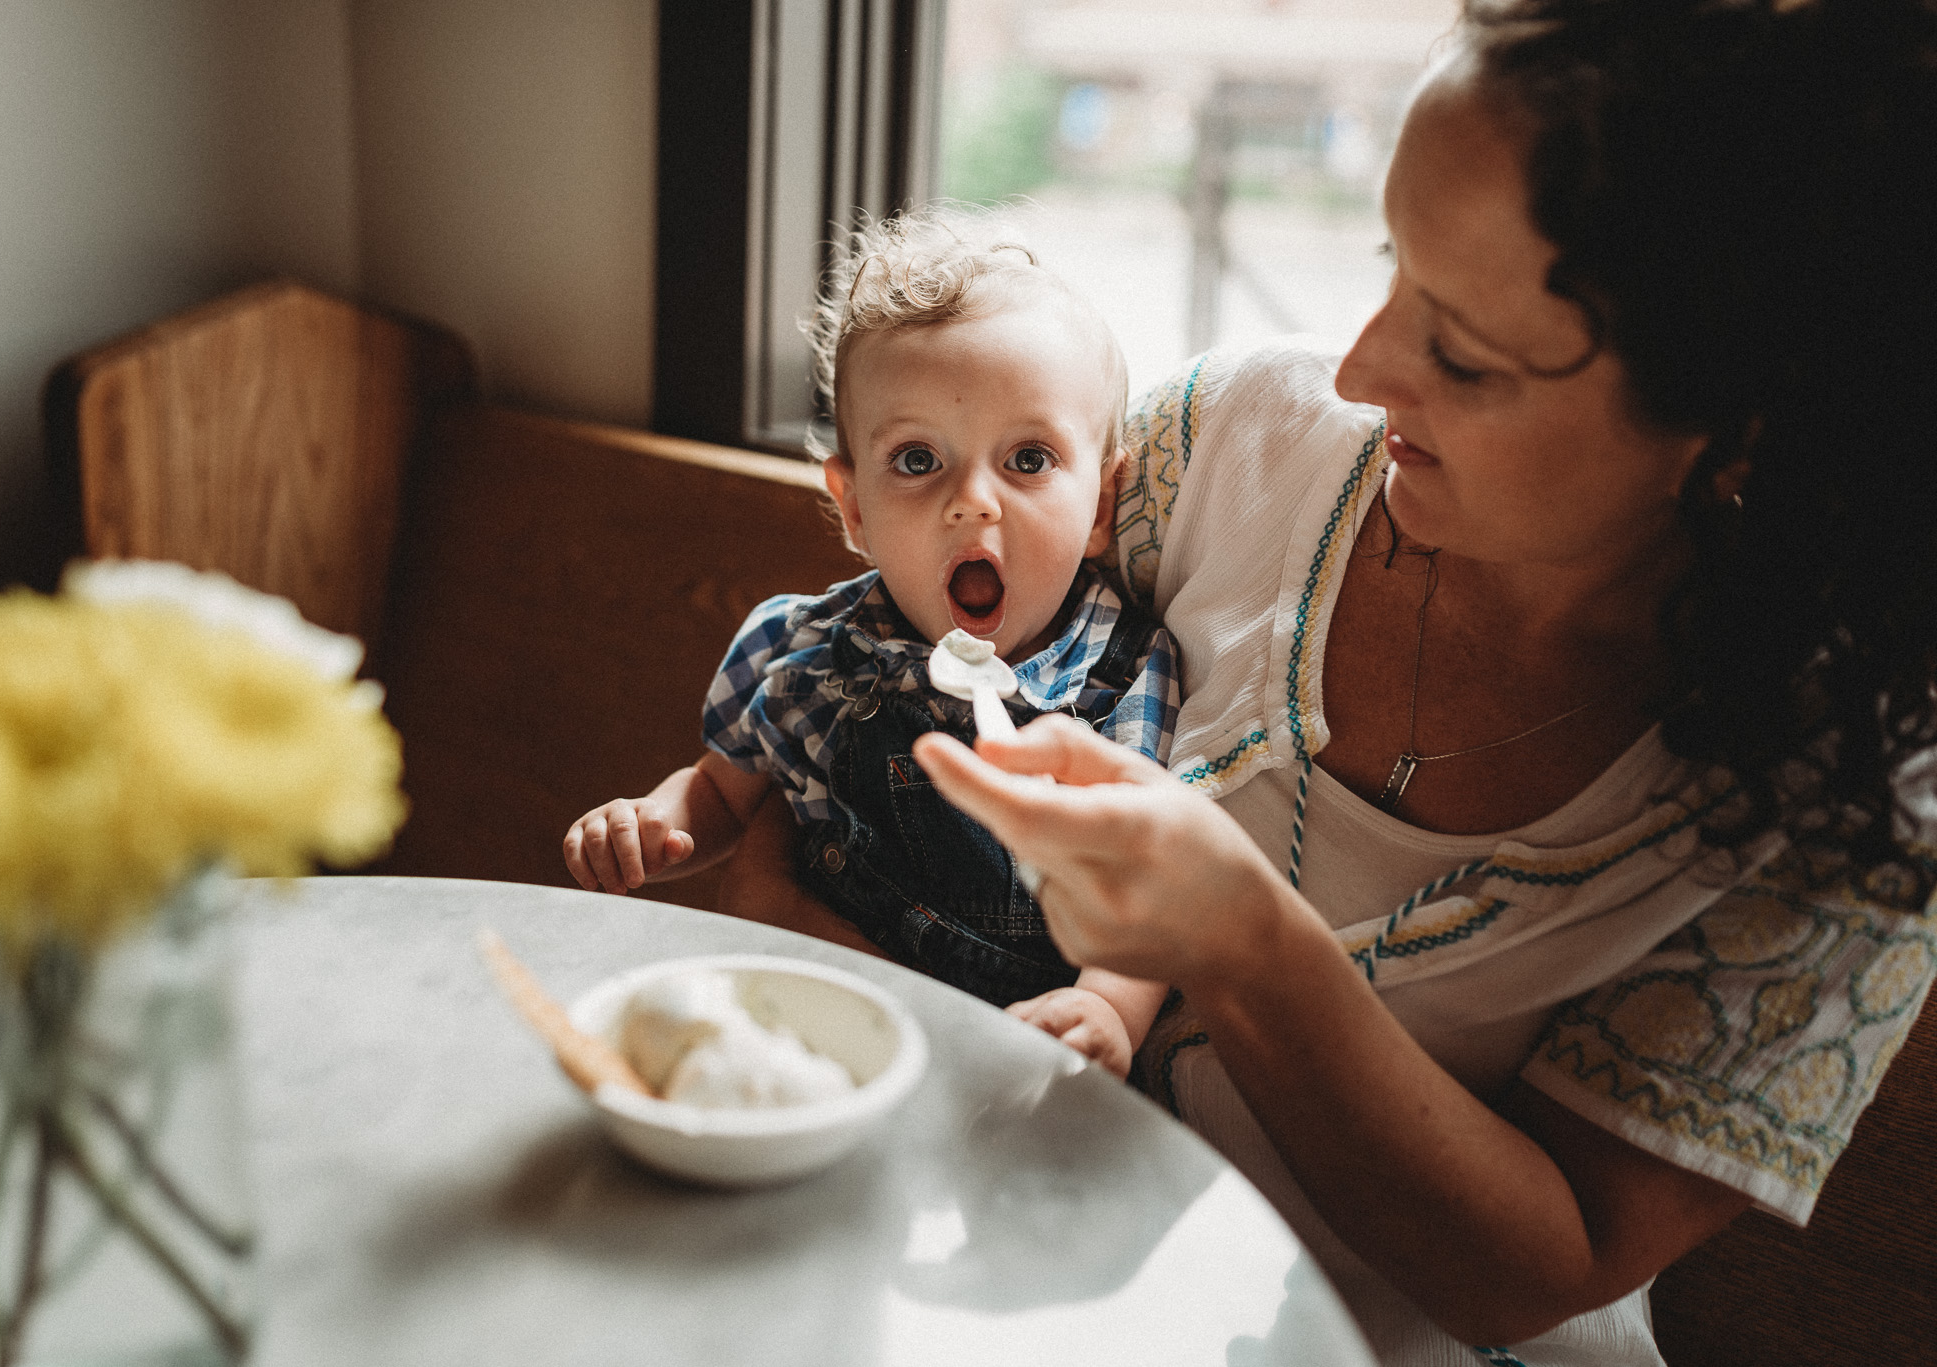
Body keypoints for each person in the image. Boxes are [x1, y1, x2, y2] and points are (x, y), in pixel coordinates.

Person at [893, 0, 1937, 1362]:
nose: (1359, 365)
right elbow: (903, 632)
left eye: (1460, 351)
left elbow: (1530, 1274)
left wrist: (1240, 932)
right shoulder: (1234, 444)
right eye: (1392, 262)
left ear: (1733, 429)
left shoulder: (1850, 797)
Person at [563, 212, 1180, 1077]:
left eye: (1029, 459)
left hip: (1014, 1062)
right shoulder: (807, 652)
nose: (975, 502)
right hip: (819, 1038)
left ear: (1103, 504)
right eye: (919, 460)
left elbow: (1149, 871)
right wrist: (655, 825)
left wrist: (1108, 1003)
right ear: (853, 509)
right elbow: (721, 796)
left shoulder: (1121, 672)